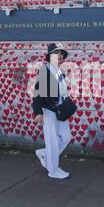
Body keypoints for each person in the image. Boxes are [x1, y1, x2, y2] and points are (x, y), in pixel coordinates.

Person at [32, 43, 73, 180]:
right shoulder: (45, 71)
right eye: (56, 53)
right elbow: (37, 93)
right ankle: (53, 170)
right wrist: (38, 112)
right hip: (49, 110)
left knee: (66, 137)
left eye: (61, 52)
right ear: (50, 56)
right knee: (52, 142)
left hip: (60, 110)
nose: (60, 55)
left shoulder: (59, 71)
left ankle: (45, 154)